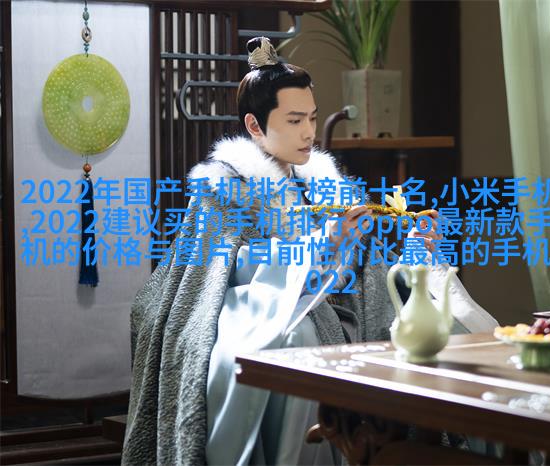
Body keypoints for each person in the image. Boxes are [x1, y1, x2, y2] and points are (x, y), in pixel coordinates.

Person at [122, 37, 498, 466]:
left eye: (313, 118)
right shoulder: (224, 189)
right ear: (255, 125)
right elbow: (225, 274)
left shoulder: (328, 188)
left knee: (446, 324)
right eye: (294, 119)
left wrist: (413, 254)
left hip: (344, 314)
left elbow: (371, 276)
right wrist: (321, 246)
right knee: (295, 339)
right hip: (259, 312)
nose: (308, 132)